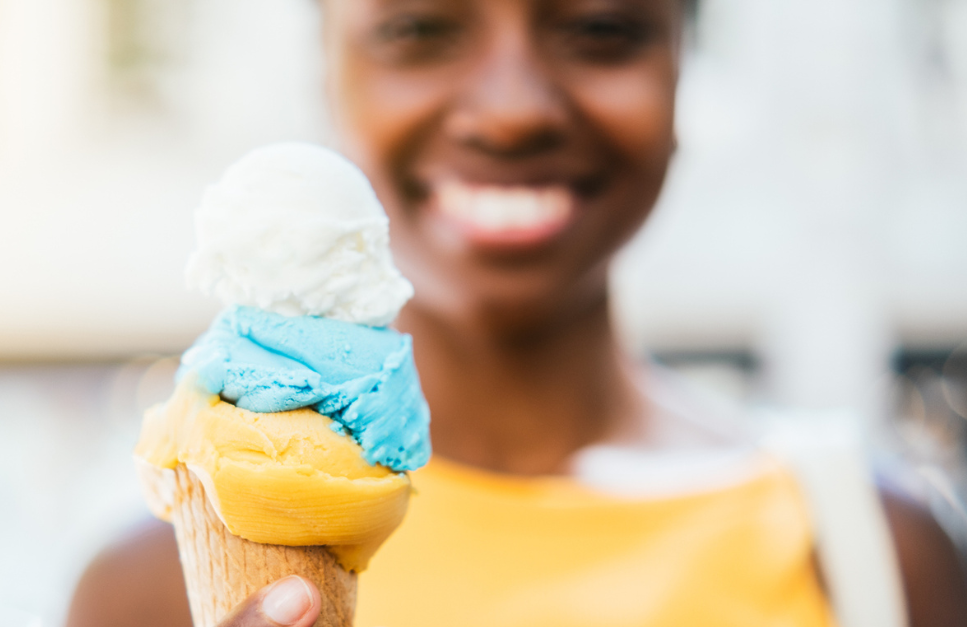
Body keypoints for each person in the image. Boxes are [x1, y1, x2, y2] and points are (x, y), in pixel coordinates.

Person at [67, 0, 967, 625]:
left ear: (685, 66)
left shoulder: (875, 554)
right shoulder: (153, 588)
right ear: (326, 66)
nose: (511, 111)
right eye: (418, 27)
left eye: (601, 29)